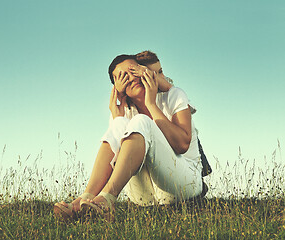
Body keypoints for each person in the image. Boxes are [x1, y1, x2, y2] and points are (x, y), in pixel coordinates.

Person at [54, 51, 203, 221]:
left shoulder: (173, 96)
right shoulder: (123, 113)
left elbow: (182, 145)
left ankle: (107, 199)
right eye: (122, 77)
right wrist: (117, 118)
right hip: (145, 197)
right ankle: (83, 200)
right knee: (120, 124)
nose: (131, 78)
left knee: (141, 121)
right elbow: (116, 161)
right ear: (117, 87)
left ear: (143, 71)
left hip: (185, 184)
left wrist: (151, 105)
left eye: (133, 71)